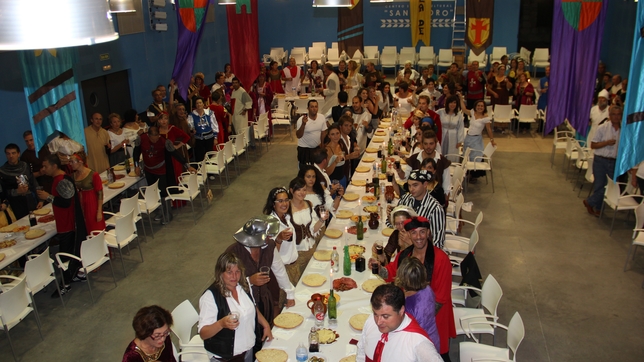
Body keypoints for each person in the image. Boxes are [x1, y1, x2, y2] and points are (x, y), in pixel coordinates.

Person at [372, 217, 455, 361]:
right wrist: (380, 270)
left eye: (422, 232)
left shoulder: (441, 260)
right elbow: (392, 272)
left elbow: (440, 299)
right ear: (409, 235)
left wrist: (408, 321)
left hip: (434, 318)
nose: (418, 237)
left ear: (428, 233)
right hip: (410, 313)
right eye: (414, 233)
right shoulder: (405, 254)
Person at [198, 252, 272, 362]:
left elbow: (252, 307)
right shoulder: (210, 297)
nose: (234, 276)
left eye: (237, 271)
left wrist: (266, 325)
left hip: (248, 349)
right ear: (220, 273)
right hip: (226, 357)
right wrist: (221, 323)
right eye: (229, 272)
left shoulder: (243, 285)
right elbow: (203, 333)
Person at [226, 215, 295, 325]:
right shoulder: (233, 253)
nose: (269, 239)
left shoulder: (269, 246)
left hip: (264, 300)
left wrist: (290, 294)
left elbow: (279, 270)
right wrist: (249, 281)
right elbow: (225, 283)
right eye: (266, 236)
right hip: (242, 303)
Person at [38, 155, 88, 297]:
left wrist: (47, 197)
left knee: (64, 257)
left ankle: (65, 284)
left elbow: (65, 203)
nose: (43, 169)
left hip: (67, 225)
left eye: (45, 166)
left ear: (54, 166)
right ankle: (75, 276)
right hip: (65, 223)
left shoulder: (61, 181)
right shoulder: (61, 179)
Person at [356, 283, 442, 362]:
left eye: (385, 316)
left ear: (401, 311)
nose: (378, 322)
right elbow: (362, 351)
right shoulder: (371, 320)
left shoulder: (419, 343)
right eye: (375, 314)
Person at [133, 127, 196, 223]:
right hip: (148, 170)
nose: (154, 141)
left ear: (159, 135)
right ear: (148, 136)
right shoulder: (141, 139)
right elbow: (136, 152)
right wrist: (136, 165)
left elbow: (175, 153)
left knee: (163, 192)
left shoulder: (165, 142)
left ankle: (168, 214)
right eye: (152, 139)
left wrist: (187, 166)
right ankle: (159, 212)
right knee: (153, 192)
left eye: (156, 138)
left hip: (161, 170)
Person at [394, 257, 441, 351]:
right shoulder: (427, 289)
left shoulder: (412, 306)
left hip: (422, 347)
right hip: (432, 337)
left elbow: (410, 334)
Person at [584, 105, 622, 217]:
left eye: (618, 114)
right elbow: (593, 144)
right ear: (609, 116)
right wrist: (606, 143)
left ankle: (593, 204)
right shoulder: (602, 128)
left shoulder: (623, 130)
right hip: (600, 160)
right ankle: (596, 206)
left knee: (610, 186)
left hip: (614, 161)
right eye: (613, 114)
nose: (616, 117)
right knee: (600, 185)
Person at [392, 170, 446, 248]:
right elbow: (392, 224)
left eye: (415, 185)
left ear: (425, 184)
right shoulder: (406, 199)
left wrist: (412, 244)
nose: (411, 189)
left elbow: (438, 244)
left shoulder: (435, 209)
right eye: (409, 186)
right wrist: (391, 216)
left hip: (422, 255)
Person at [403, 130, 451, 204]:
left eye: (431, 144)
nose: (428, 147)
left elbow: (446, 190)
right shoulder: (413, 159)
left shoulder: (443, 162)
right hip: (414, 202)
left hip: (435, 203)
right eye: (425, 144)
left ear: (435, 144)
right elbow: (405, 179)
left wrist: (442, 208)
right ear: (422, 144)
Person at [263, 187, 298, 281]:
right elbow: (270, 254)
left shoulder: (286, 217)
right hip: (283, 270)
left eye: (287, 200)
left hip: (294, 266)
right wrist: (278, 239)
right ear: (273, 204)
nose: (285, 204)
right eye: (280, 201)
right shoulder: (270, 225)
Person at [459, 97, 496, 183]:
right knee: (466, 155)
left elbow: (489, 129)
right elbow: (464, 109)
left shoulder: (485, 117)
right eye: (478, 105)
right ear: (475, 106)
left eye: (482, 106)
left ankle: (473, 175)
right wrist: (460, 98)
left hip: (476, 139)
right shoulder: (472, 113)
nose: (480, 107)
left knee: (475, 156)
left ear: (484, 107)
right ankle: (467, 173)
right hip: (468, 137)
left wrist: (492, 139)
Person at [0, 143, 42, 219]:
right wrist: (16, 191)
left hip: (30, 200)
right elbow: (3, 193)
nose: (11, 156)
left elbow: (34, 183)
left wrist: (40, 199)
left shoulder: (25, 166)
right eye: (8, 154)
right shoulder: (2, 172)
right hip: (15, 205)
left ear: (18, 154)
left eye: (13, 153)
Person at [288, 177, 328, 251]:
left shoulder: (308, 204)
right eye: (298, 190)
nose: (302, 193)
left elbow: (313, 229)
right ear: (291, 190)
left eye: (304, 190)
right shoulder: (287, 208)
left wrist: (322, 219)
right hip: (296, 251)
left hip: (311, 247)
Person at [69, 153, 105, 234]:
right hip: (80, 206)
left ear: (80, 162)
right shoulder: (73, 176)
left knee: (95, 229)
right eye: (70, 162)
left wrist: (99, 211)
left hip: (91, 205)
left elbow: (100, 193)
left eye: (72, 162)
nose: (70, 164)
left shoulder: (93, 175)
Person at [296, 100, 327, 167]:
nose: (314, 108)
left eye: (316, 106)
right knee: (304, 170)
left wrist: (322, 145)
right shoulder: (301, 120)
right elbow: (298, 135)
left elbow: (323, 133)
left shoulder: (321, 117)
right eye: (312, 107)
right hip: (304, 149)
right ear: (308, 108)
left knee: (317, 169)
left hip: (316, 148)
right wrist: (303, 124)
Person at [188, 97, 218, 162]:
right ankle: (201, 170)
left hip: (209, 138)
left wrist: (215, 137)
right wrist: (192, 129)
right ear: (195, 105)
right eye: (197, 103)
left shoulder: (210, 113)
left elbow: (214, 125)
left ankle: (210, 170)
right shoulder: (192, 115)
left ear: (203, 104)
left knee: (209, 155)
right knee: (199, 157)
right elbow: (190, 126)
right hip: (198, 139)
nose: (199, 104)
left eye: (200, 103)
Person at [436, 95, 464, 163]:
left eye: (454, 102)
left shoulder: (459, 114)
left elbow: (461, 127)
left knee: (451, 154)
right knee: (441, 151)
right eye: (451, 102)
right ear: (447, 103)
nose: (452, 104)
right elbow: (432, 117)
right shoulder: (441, 112)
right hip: (442, 134)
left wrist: (460, 141)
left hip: (453, 136)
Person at [231, 77, 254, 145]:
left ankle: (243, 146)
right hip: (235, 115)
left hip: (241, 115)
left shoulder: (242, 91)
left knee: (241, 131)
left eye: (236, 83)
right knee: (236, 131)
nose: (235, 84)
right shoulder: (233, 91)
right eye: (233, 83)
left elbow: (249, 101)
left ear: (239, 83)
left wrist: (245, 110)